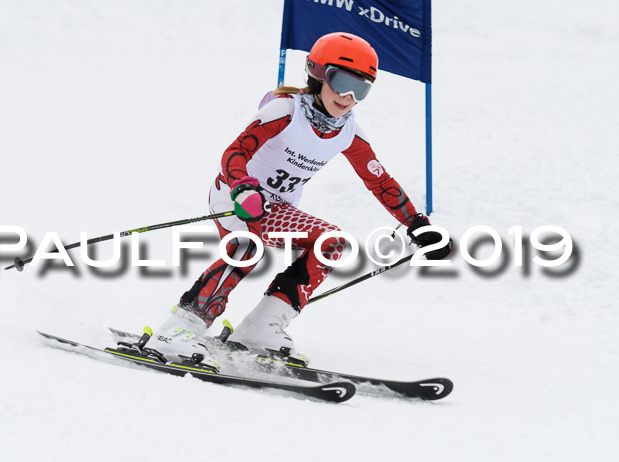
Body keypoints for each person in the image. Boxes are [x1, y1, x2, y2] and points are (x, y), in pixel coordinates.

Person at [145, 32, 451, 366]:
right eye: (342, 81)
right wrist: (244, 187)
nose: (348, 96)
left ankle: (261, 327)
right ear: (318, 74)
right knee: (250, 245)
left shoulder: (348, 131)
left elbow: (380, 182)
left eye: (361, 88)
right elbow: (236, 151)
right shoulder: (285, 110)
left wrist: (418, 225)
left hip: (277, 208)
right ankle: (178, 329)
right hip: (236, 197)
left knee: (331, 242)